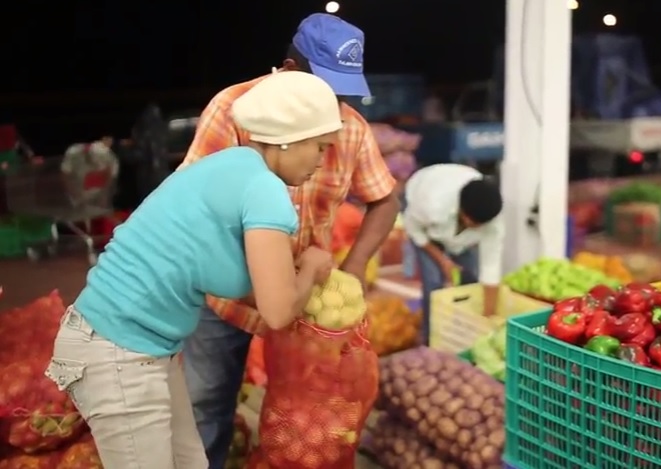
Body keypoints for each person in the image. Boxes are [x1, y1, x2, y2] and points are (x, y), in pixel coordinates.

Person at [44, 71, 342, 469]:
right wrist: (314, 266)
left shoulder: (231, 166)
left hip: (135, 346)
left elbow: (247, 284)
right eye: (319, 148)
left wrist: (295, 277)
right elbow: (277, 310)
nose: (321, 162)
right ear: (289, 138)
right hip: (118, 350)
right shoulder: (265, 188)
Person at [179, 13, 399, 468]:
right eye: (327, 91)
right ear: (290, 69)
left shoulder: (351, 127)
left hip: (306, 304)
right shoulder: (232, 109)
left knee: (308, 418)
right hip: (225, 298)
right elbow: (195, 214)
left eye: (343, 95)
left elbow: (384, 199)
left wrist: (354, 267)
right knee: (205, 406)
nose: (335, 107)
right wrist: (266, 287)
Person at [402, 163, 504, 344]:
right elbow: (414, 230)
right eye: (475, 224)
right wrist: (442, 260)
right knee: (434, 282)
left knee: (470, 278)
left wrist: (488, 319)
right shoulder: (431, 206)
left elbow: (491, 268)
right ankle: (429, 339)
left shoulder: (493, 223)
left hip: (454, 230)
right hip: (424, 224)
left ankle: (462, 332)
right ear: (462, 212)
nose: (478, 228)